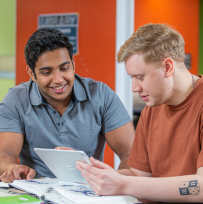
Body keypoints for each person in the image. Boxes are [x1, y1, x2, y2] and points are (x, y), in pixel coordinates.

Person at [76, 23, 203, 204]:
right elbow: (138, 175)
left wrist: (124, 184)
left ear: (168, 67)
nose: (134, 88)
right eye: (132, 78)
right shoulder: (151, 109)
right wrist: (91, 172)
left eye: (140, 77)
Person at [0, 28, 134, 183]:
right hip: (37, 195)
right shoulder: (16, 99)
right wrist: (12, 167)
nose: (58, 79)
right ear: (31, 73)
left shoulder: (101, 95)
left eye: (64, 68)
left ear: (73, 64)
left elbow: (131, 152)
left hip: (88, 193)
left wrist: (117, 186)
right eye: (46, 72)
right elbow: (4, 153)